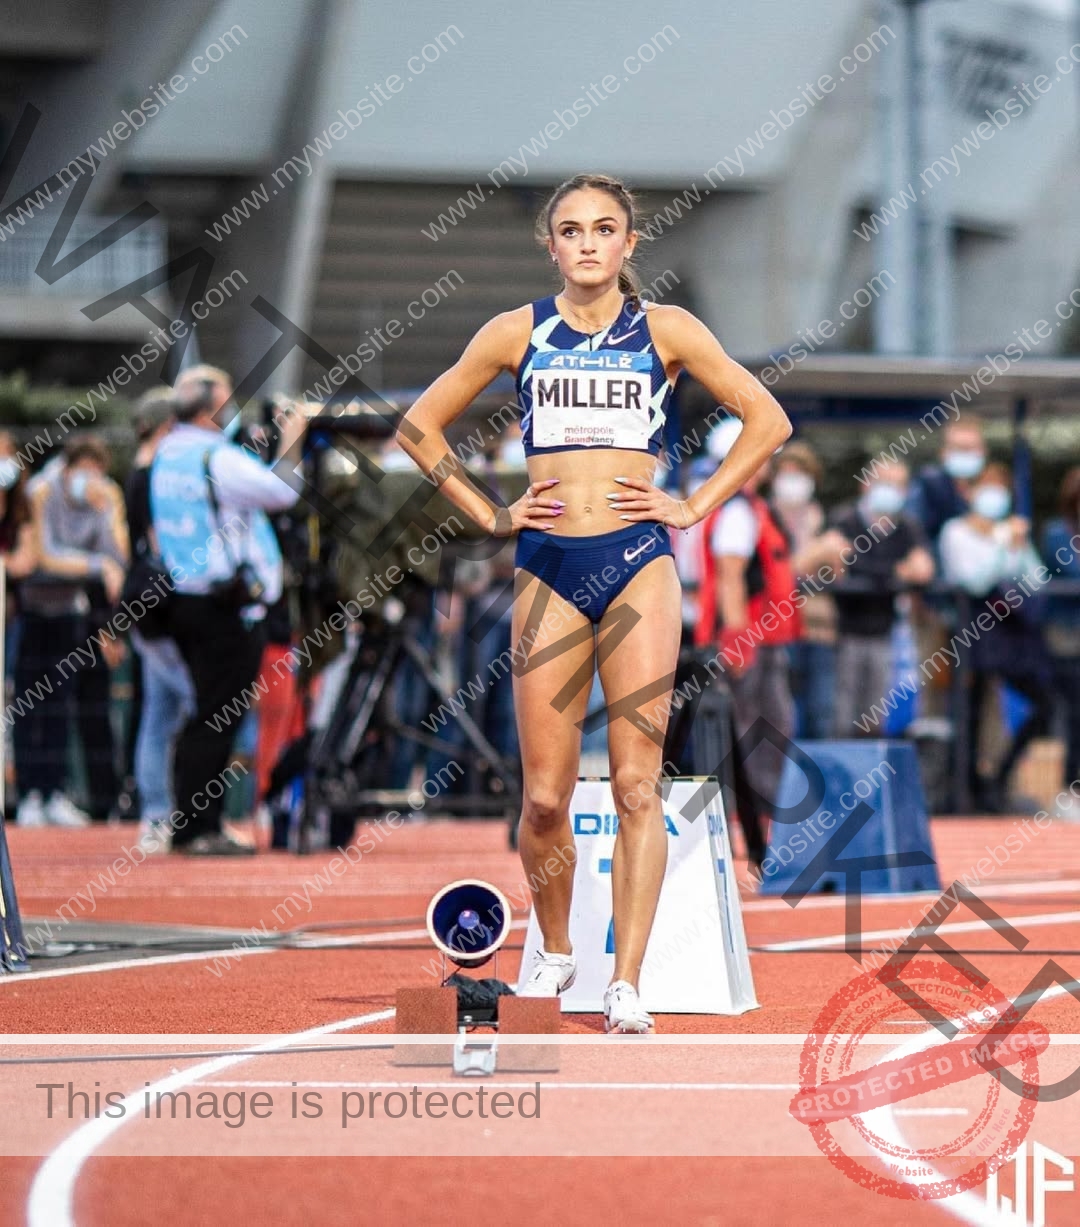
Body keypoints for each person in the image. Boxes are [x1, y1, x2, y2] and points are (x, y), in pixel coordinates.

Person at [396, 173, 791, 1032]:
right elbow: (418, 425)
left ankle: (628, 979)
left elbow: (767, 420)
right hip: (544, 562)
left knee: (637, 785)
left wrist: (693, 503)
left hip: (639, 561)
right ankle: (558, 949)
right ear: (551, 245)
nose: (586, 243)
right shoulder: (515, 332)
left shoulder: (668, 329)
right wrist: (491, 514)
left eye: (603, 229)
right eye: (570, 230)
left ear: (627, 245)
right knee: (543, 797)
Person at [150, 365, 306, 855]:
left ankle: (192, 822)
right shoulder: (212, 456)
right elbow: (282, 492)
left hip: (184, 597)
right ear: (208, 408)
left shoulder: (168, 454)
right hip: (223, 605)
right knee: (217, 717)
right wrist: (293, 441)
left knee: (203, 714)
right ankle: (199, 828)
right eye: (226, 399)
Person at [15, 435, 129, 825]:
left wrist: (111, 511)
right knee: (30, 703)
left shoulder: (103, 497)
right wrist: (97, 567)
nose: (90, 481)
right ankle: (30, 792)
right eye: (83, 473)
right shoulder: (41, 491)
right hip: (31, 609)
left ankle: (55, 791)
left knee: (62, 703)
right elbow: (42, 557)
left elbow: (119, 558)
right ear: (68, 468)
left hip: (70, 610)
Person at [694, 417, 799, 838]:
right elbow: (730, 574)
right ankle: (758, 824)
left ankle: (760, 820)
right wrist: (737, 638)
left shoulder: (749, 506)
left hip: (762, 638)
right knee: (759, 728)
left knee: (767, 726)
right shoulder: (738, 509)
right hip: (751, 640)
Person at [940, 463, 1052, 812]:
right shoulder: (955, 531)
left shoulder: (1010, 532)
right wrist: (1003, 550)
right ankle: (967, 791)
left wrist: (1015, 544)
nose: (994, 495)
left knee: (1043, 705)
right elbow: (972, 581)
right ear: (971, 492)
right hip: (971, 634)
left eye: (1001, 488)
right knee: (969, 714)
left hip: (1011, 638)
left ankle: (998, 778)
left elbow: (1037, 579)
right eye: (987, 486)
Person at [124, 389, 193, 851]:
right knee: (198, 702)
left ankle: (157, 812)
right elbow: (158, 537)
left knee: (159, 711)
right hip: (160, 599)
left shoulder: (139, 468)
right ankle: (174, 810)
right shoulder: (154, 471)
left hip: (145, 599)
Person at [830, 461, 935, 737]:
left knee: (874, 716)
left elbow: (923, 569)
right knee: (840, 713)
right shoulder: (846, 519)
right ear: (866, 484)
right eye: (884, 482)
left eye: (898, 485)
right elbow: (841, 563)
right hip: (844, 632)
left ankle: (867, 776)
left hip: (884, 631)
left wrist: (869, 565)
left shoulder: (906, 526)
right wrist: (894, 570)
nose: (890, 491)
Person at [770, 441, 848, 739]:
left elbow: (839, 570)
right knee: (780, 712)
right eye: (786, 473)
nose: (792, 481)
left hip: (820, 628)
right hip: (777, 628)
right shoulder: (765, 515)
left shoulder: (823, 517)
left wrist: (820, 555)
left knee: (822, 711)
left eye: (800, 474)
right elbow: (779, 573)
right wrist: (817, 553)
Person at [1042, 468, 1080, 804]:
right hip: (1066, 638)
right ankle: (1071, 788)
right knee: (1074, 712)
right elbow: (1072, 571)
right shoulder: (1057, 533)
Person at [908, 420, 988, 547]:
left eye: (970, 448)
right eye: (958, 448)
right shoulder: (928, 485)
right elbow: (912, 530)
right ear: (943, 452)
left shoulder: (989, 488)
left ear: (983, 452)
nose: (965, 454)